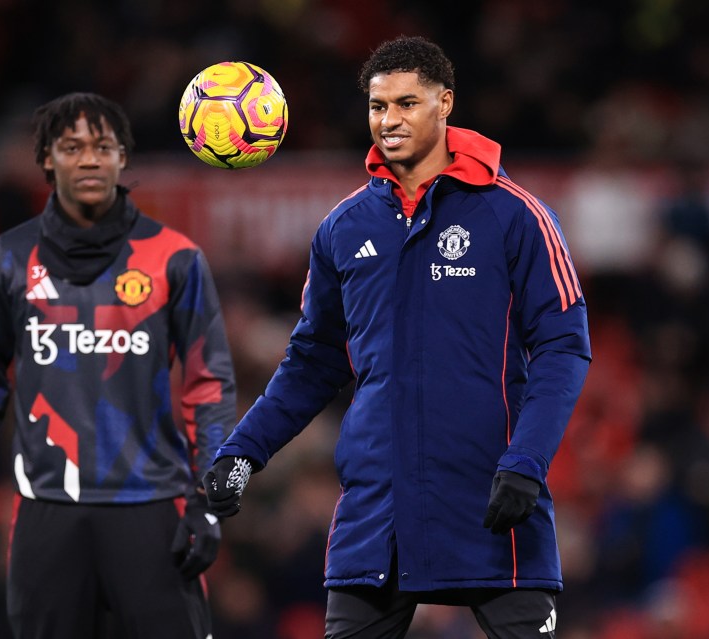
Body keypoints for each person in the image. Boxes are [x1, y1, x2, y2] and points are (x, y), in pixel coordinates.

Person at [204, 36, 591, 639]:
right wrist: (242, 453)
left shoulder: (516, 215)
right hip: (377, 512)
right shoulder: (343, 228)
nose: (389, 120)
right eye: (378, 106)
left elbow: (563, 347)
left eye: (407, 103)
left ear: (446, 103)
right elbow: (313, 362)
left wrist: (527, 462)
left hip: (493, 499)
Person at [0, 92, 236, 639]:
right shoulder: (7, 258)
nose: (90, 159)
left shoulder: (176, 258)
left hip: (152, 508)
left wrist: (212, 498)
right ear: (47, 159)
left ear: (124, 156)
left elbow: (210, 385)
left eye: (103, 146)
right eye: (72, 147)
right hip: (47, 511)